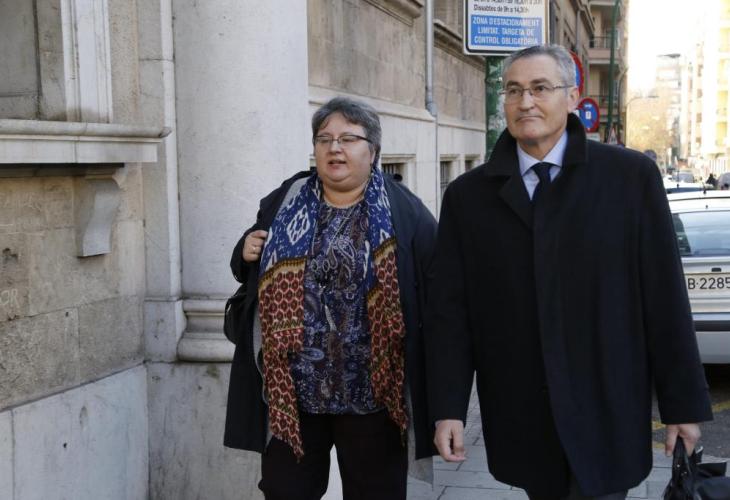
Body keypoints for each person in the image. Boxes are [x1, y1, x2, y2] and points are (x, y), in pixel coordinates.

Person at [426, 44, 713, 500]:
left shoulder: (629, 179)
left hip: (608, 406)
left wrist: (683, 405)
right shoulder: (468, 197)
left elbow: (664, 298)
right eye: (514, 90)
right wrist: (448, 408)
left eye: (540, 88)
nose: (525, 102)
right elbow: (450, 314)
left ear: (572, 96)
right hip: (522, 413)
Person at [223, 96, 437, 500]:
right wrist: (244, 250)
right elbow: (251, 264)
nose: (334, 148)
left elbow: (437, 287)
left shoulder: (403, 210)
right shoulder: (288, 199)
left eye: (348, 139)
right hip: (292, 397)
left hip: (372, 398)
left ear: (373, 150)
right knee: (285, 492)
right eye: (324, 139)